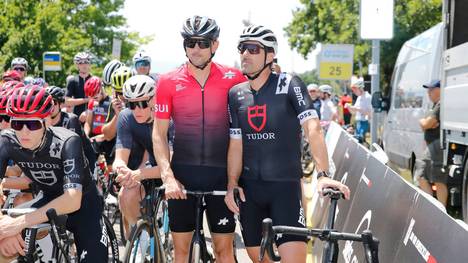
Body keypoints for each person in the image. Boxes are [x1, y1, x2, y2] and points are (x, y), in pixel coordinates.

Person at [223, 25, 350, 263]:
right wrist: (231, 184)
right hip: (250, 192)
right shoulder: (235, 94)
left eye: (252, 48)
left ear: (270, 55)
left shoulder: (290, 84)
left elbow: (312, 128)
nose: (245, 54)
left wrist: (322, 174)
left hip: (285, 190)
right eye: (242, 48)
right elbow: (236, 144)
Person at [153, 15, 246, 263]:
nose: (196, 49)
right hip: (182, 177)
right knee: (181, 253)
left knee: (224, 252)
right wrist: (168, 177)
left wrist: (236, 179)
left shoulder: (234, 78)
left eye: (203, 43)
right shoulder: (167, 81)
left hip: (220, 176)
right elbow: (159, 134)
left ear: (214, 45)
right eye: (190, 42)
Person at [0, 84, 107, 261]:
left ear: (47, 121)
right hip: (47, 199)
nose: (24, 132)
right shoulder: (6, 141)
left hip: (84, 204)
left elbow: (72, 199)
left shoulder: (67, 140)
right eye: (17, 123)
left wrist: (17, 224)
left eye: (33, 124)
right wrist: (3, 224)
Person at [113, 75, 164, 237]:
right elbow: (120, 158)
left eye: (142, 103)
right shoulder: (126, 116)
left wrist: (137, 174)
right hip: (152, 168)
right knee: (125, 194)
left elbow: (170, 166)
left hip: (175, 169)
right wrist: (121, 169)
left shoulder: (167, 117)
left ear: (154, 100)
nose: (137, 110)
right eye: (131, 104)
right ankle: (139, 242)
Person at [46, 86, 96, 174]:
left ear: (61, 104)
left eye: (54, 102)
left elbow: (71, 151)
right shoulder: (42, 122)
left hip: (83, 160)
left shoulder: (70, 120)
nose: (50, 106)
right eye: (47, 103)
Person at [413, 80, 447, 206]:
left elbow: (427, 124)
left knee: (438, 179)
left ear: (439, 89)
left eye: (431, 89)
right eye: (428, 90)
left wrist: (425, 122)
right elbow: (427, 124)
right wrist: (426, 123)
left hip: (437, 145)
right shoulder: (434, 105)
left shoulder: (440, 104)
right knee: (421, 175)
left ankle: (441, 209)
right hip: (431, 146)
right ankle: (431, 206)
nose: (429, 92)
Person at [83, 76, 116, 170]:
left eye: (96, 95)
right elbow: (88, 123)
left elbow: (113, 129)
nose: (94, 98)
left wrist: (99, 138)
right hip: (94, 139)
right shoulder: (92, 103)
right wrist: (86, 136)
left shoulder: (111, 103)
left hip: (109, 139)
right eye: (91, 96)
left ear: (101, 88)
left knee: (111, 170)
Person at [65, 52, 92, 119]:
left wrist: (87, 112)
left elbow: (100, 100)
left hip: (92, 116)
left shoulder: (95, 80)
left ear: (89, 64)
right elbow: (67, 101)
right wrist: (87, 100)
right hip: (77, 116)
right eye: (80, 63)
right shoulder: (72, 80)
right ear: (77, 65)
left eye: (86, 62)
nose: (84, 65)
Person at [345, 76, 371, 143]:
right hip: (358, 122)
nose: (354, 92)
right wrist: (349, 107)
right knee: (357, 141)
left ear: (360, 88)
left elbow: (370, 113)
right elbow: (354, 112)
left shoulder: (368, 97)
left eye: (355, 89)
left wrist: (357, 109)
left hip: (365, 123)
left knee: (360, 140)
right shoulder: (359, 98)